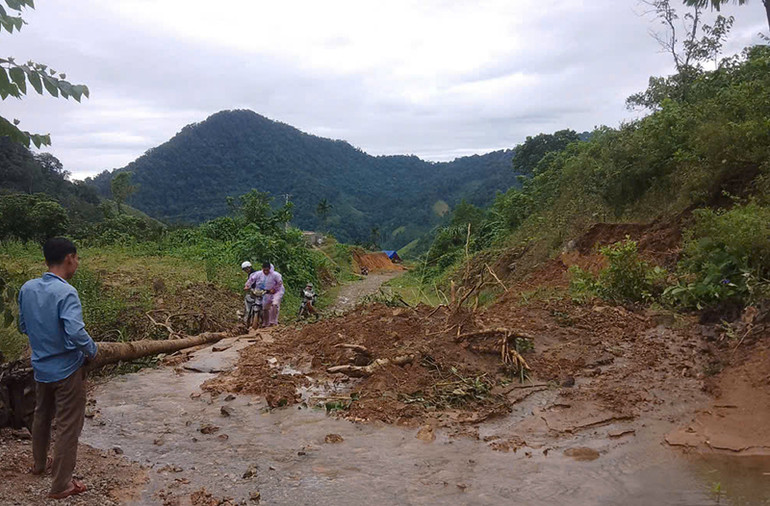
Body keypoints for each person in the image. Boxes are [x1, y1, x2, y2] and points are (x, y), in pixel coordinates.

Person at [17, 237, 98, 500]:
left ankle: (40, 465)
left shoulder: (27, 288)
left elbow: (23, 326)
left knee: (41, 416)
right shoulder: (66, 292)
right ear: (69, 258)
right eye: (77, 258)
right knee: (67, 425)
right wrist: (92, 350)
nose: (76, 263)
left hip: (41, 367)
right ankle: (61, 484)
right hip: (66, 369)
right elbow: (75, 331)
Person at [249, 262, 284, 327]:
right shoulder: (258, 274)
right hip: (267, 292)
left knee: (274, 304)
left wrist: (274, 288)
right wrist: (247, 285)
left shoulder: (276, 275)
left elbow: (280, 283)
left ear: (270, 269)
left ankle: (273, 322)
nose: (265, 272)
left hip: (277, 291)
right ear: (262, 269)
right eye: (264, 270)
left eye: (267, 270)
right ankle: (266, 322)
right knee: (265, 307)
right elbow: (251, 279)